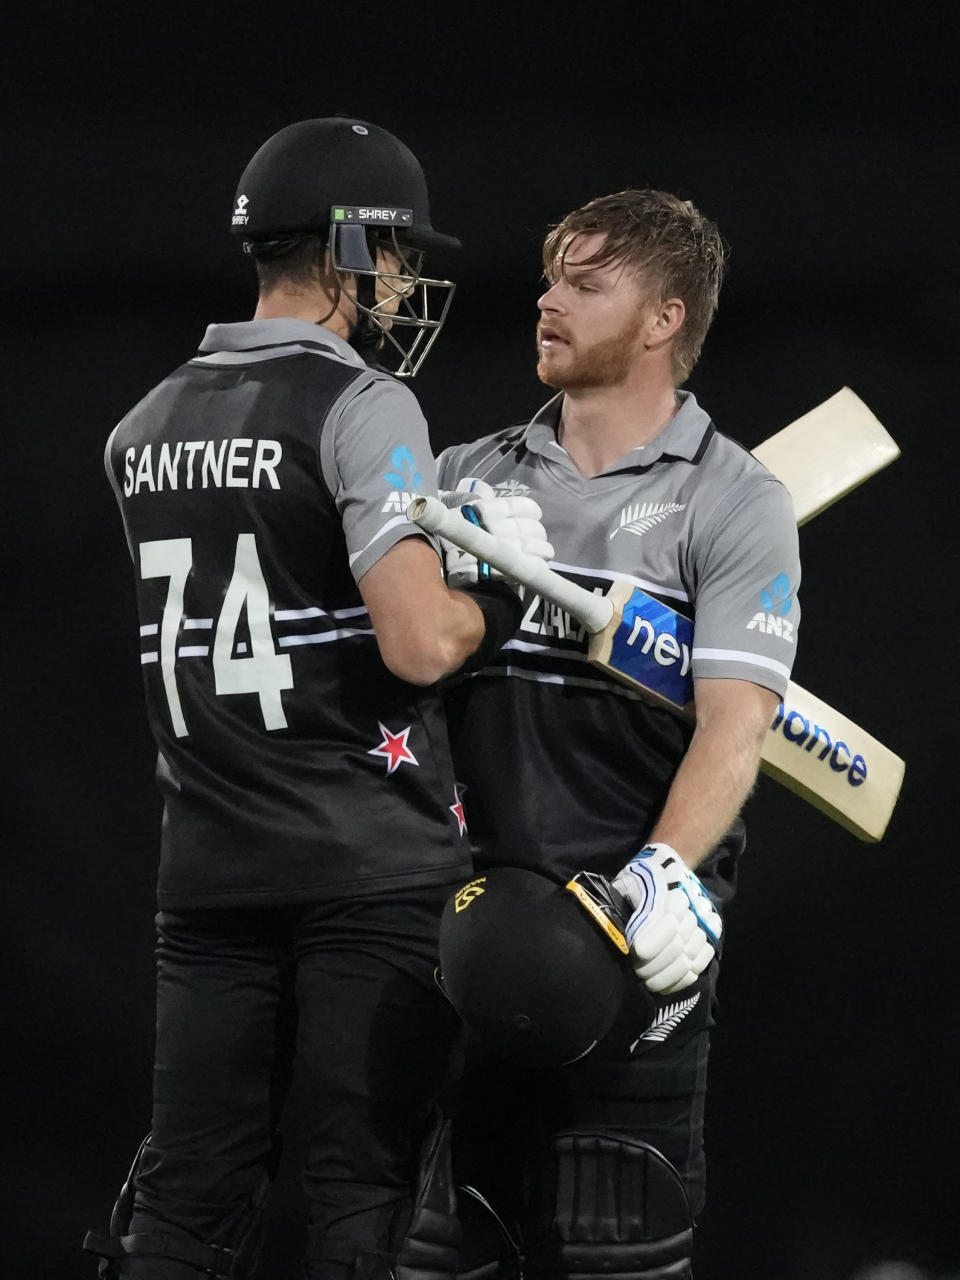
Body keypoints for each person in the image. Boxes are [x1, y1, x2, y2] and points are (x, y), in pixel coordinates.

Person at [82, 116, 553, 1280]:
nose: (401, 282)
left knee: (185, 1208)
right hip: (364, 864)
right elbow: (420, 640)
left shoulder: (137, 430)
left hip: (205, 872)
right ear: (352, 249)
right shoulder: (364, 407)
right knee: (364, 1203)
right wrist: (500, 586)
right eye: (395, 254)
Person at [435, 189, 802, 1277]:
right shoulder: (464, 479)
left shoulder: (734, 499)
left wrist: (665, 873)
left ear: (662, 320)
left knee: (617, 1251)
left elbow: (738, 725)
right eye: (550, 277)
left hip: (632, 950)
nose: (547, 301)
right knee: (431, 1248)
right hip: (460, 941)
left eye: (586, 283)